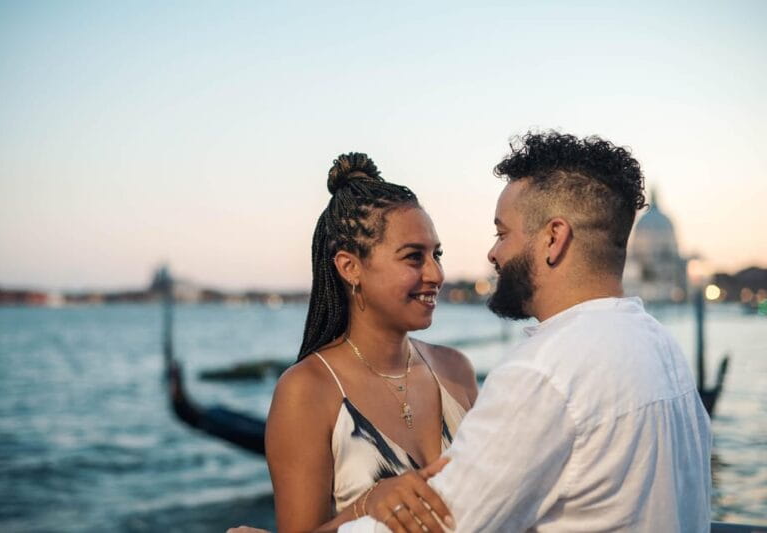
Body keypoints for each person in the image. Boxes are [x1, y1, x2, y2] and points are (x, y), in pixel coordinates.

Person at [339, 132, 712, 532]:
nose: (493, 253)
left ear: (554, 238)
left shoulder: (544, 373)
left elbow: (440, 526)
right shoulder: (661, 346)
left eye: (502, 234)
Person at [256, 153, 479, 532]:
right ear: (350, 267)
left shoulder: (456, 370)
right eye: (414, 257)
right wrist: (367, 504)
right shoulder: (307, 391)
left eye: (436, 255)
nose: (436, 274)